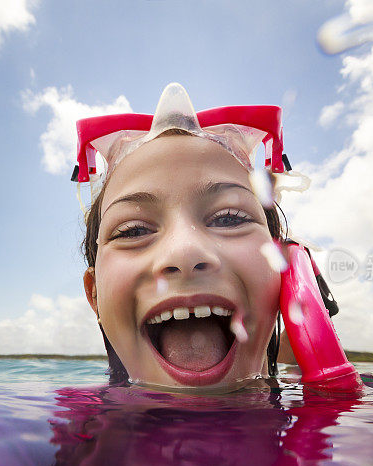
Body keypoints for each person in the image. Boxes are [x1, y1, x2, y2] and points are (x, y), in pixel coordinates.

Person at [78, 83, 291, 390]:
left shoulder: (354, 403)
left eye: (230, 218)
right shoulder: (70, 430)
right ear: (94, 294)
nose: (185, 251)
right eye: (134, 231)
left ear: (285, 269)